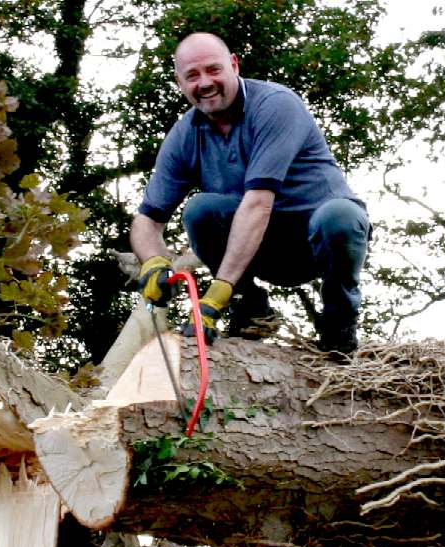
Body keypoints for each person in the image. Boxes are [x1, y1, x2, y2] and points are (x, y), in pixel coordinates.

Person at [131, 31, 371, 354]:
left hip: (315, 242)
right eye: (192, 76)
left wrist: (216, 294)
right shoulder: (184, 136)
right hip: (259, 250)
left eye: (213, 70)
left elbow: (258, 204)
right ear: (179, 82)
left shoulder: (275, 106)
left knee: (341, 217)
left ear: (233, 65)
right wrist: (152, 263)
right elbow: (147, 220)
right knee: (200, 211)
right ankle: (250, 310)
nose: (204, 83)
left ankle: (338, 326)